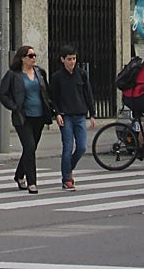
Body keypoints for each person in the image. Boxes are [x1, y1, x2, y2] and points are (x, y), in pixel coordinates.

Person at [0, 44, 53, 194]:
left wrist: (54, 110)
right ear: (22, 58)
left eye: (34, 55)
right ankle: (32, 182)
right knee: (29, 147)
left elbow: (46, 92)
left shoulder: (39, 72)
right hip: (23, 117)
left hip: (39, 116)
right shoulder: (13, 75)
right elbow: (3, 94)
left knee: (31, 148)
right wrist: (14, 106)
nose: (34, 58)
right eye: (30, 56)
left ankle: (18, 175)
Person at [48, 44, 95, 191]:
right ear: (62, 60)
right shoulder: (57, 77)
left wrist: (92, 114)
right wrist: (57, 113)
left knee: (82, 147)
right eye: (69, 59)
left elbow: (88, 93)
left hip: (80, 114)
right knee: (67, 147)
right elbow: (52, 98)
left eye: (74, 59)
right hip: (66, 115)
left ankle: (68, 169)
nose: (72, 62)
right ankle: (67, 179)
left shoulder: (81, 74)